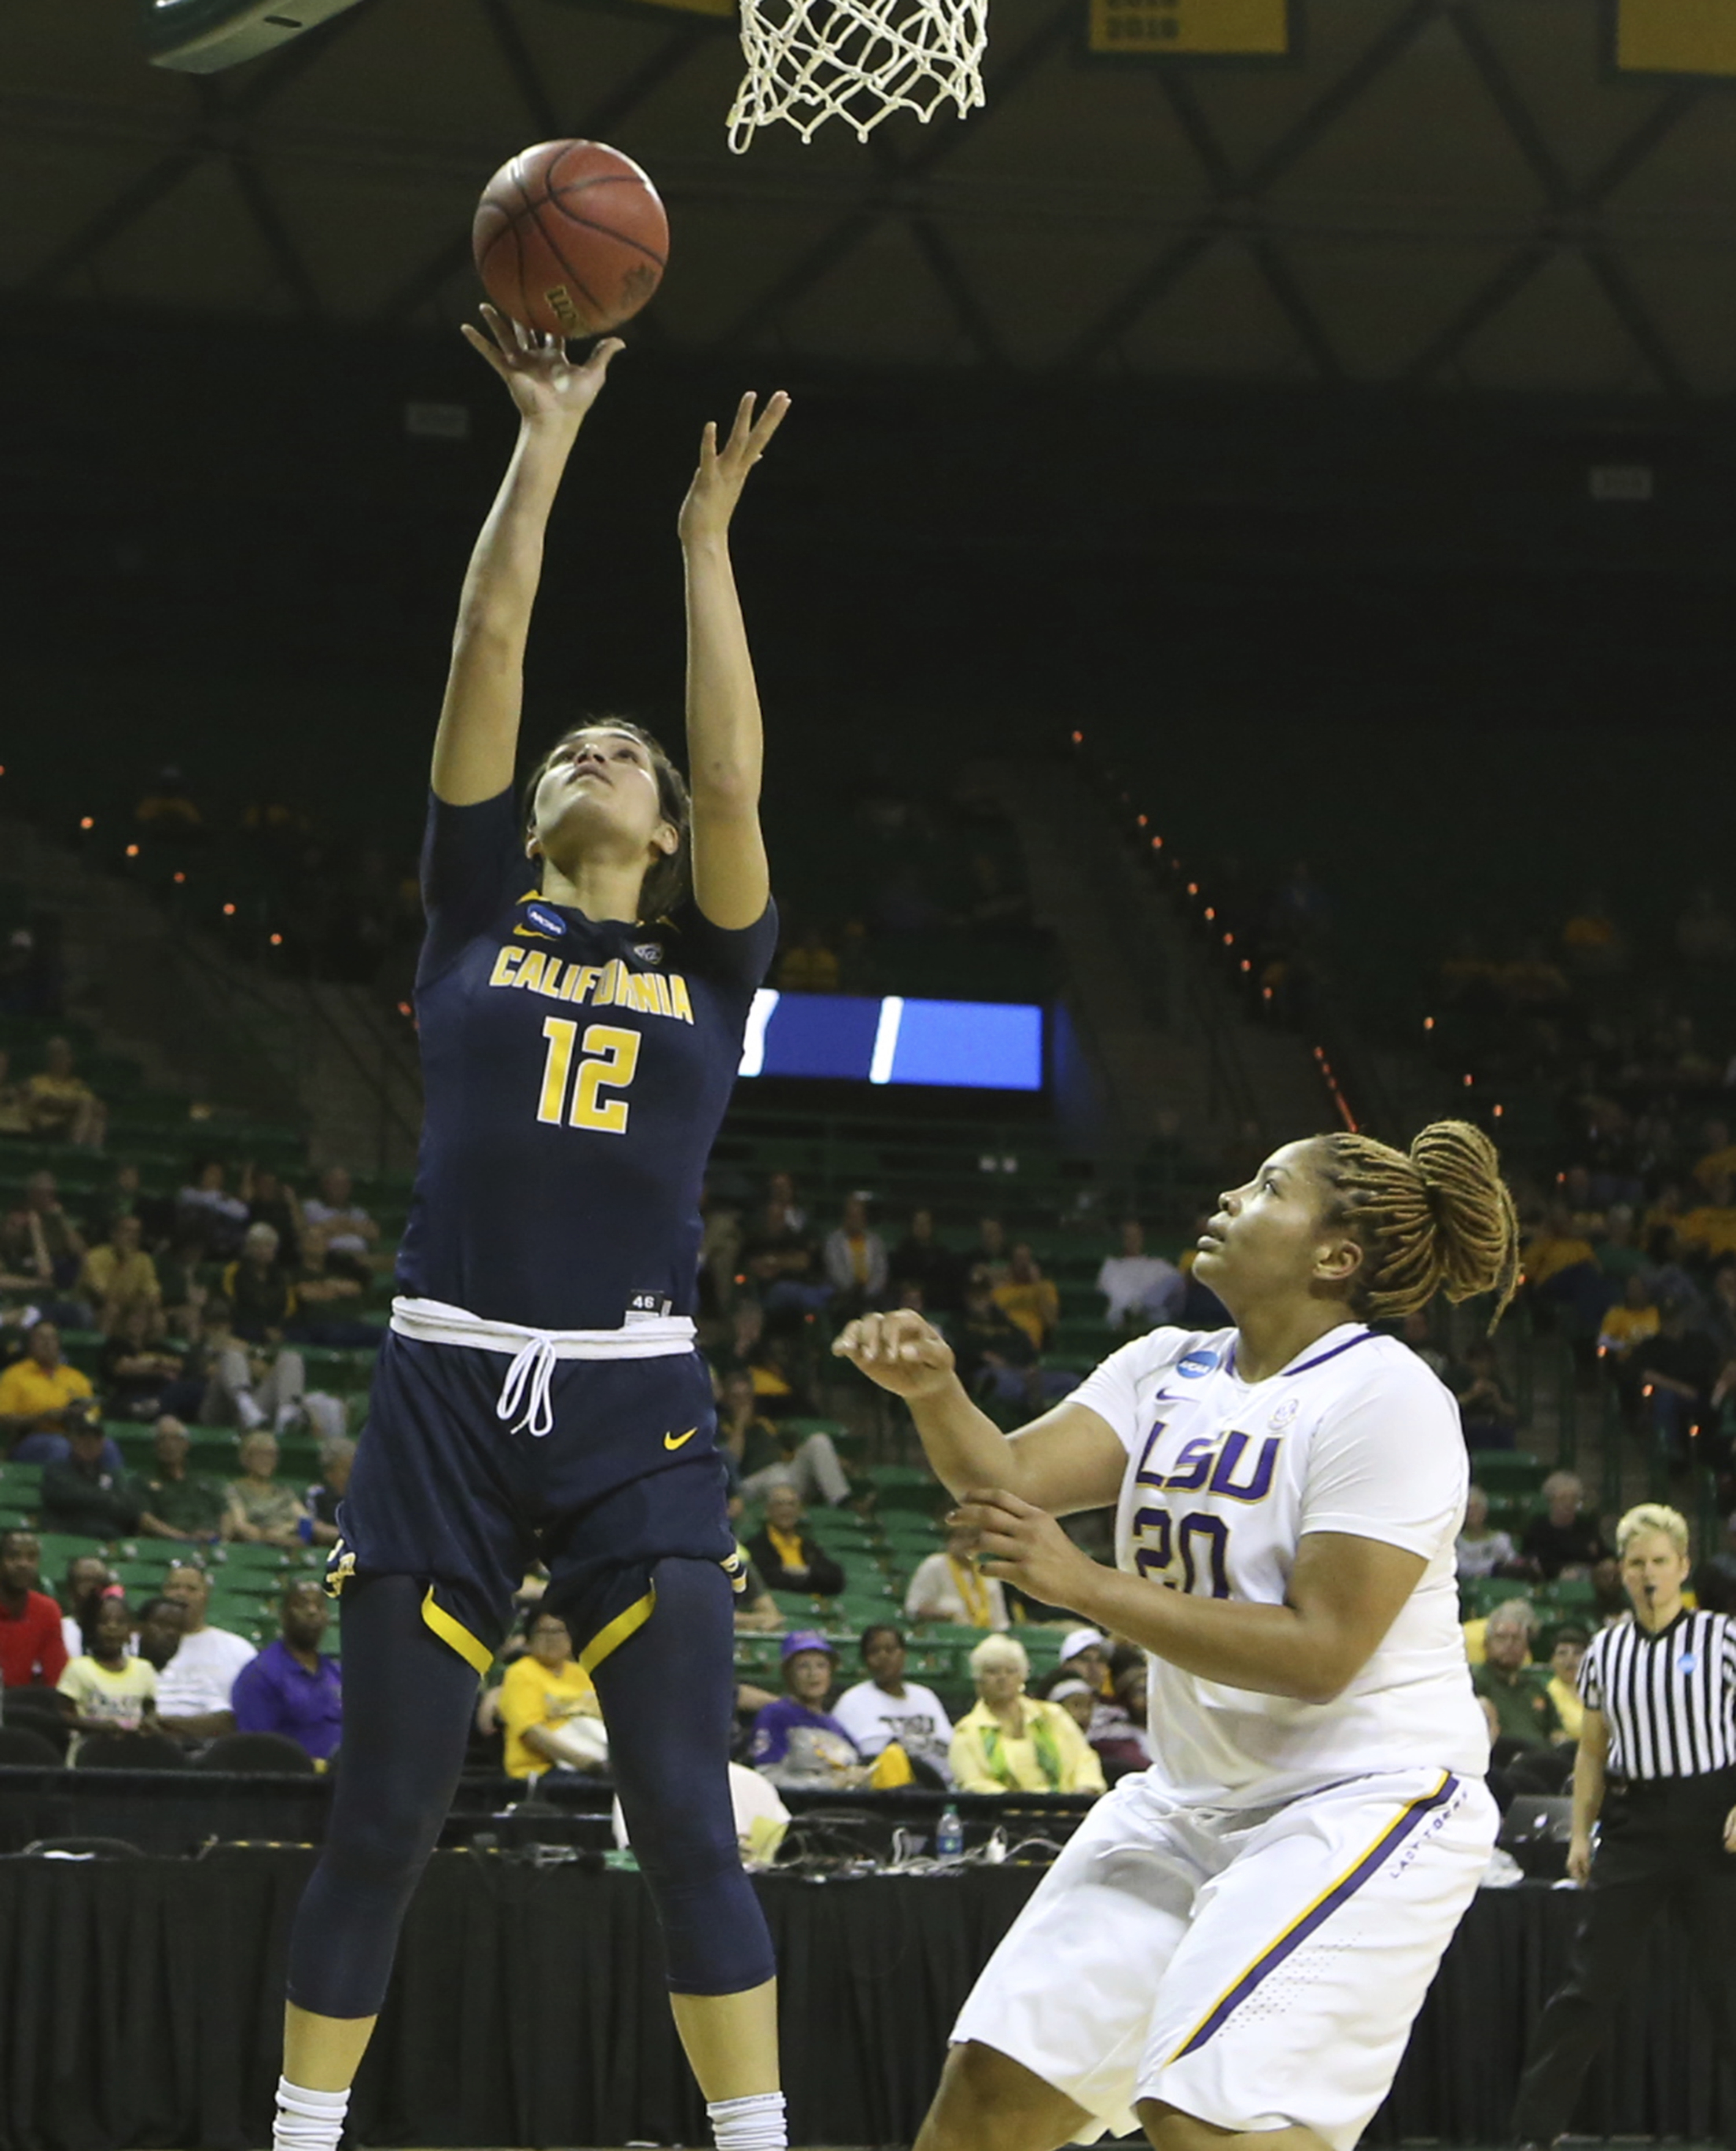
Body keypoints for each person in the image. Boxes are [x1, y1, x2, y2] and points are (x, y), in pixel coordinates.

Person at [270, 319, 792, 2151]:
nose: (595, 748)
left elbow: (733, 782)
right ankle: (297, 2141)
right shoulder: (466, 915)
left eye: (620, 750)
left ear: (653, 831)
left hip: (636, 1416)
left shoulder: (708, 963)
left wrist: (703, 546)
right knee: (385, 1810)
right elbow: (489, 641)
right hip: (443, 1401)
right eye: (580, 747)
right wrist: (550, 436)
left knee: (684, 1817)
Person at [834, 1117, 1515, 2151]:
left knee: (1203, 2116)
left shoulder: (1390, 1399)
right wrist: (936, 1393)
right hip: (1192, 1797)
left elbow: (1321, 1652)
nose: (1233, 1195)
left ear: (1337, 1257)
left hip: (1365, 1796)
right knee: (989, 2095)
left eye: (1269, 1186)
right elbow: (1009, 1479)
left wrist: (1087, 1585)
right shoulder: (1168, 1366)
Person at [1512, 1504, 1736, 2148]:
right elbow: (1590, 1750)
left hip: (1711, 1820)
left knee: (1727, 1986)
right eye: (1636, 1563)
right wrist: (1581, 1833)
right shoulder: (1606, 1650)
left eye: (1660, 1562)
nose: (1648, 1574)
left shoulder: (1721, 1638)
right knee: (1588, 1985)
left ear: (1683, 1567)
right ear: (1622, 1569)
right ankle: (1533, 2132)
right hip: (1634, 1822)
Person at [948, 1634, 1106, 1796]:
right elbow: (974, 1782)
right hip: (1004, 1816)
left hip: (1067, 1811)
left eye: (1011, 1671)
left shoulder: (1053, 1715)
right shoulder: (967, 1731)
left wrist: (1083, 1790)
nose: (1003, 1678)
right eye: (992, 1672)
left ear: (1023, 1676)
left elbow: (1084, 1759)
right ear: (978, 1680)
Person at [233, 1581, 344, 1763]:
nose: (312, 1612)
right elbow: (255, 1749)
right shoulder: (260, 1674)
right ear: (283, 1616)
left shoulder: (336, 1673)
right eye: (302, 1605)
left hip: (340, 1780)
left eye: (319, 1606)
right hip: (292, 1784)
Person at [832, 1624, 954, 1783]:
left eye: (890, 1650)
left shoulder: (926, 1696)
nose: (884, 1657)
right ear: (865, 1660)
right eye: (874, 1652)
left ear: (904, 1654)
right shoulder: (851, 1701)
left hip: (942, 1787)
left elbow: (950, 1744)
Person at [496, 1605, 609, 1776]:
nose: (552, 1639)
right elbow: (532, 1734)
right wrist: (587, 1763)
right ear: (528, 1638)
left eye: (559, 1631)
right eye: (543, 1632)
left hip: (597, 1756)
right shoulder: (521, 1672)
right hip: (545, 1769)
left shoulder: (582, 1673)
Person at [749, 1631, 870, 1786]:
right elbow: (767, 1776)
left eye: (821, 1666)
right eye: (803, 1667)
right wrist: (828, 1784)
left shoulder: (833, 1724)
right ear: (789, 1674)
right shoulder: (776, 1715)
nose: (813, 1674)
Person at [1470, 1600, 1571, 1786]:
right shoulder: (1474, 1682)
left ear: (1526, 1648)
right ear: (1486, 1644)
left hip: (1544, 1761)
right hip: (1505, 1763)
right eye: (1501, 1638)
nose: (1509, 1645)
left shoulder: (1535, 1687)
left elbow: (1556, 1732)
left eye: (1516, 1639)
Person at [717, 1369, 850, 1509]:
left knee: (818, 1441)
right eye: (736, 1398)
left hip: (784, 1477)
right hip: (748, 1486)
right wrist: (740, 1425)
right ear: (726, 1400)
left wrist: (836, 1461)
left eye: (747, 1397)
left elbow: (795, 1448)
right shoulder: (721, 1427)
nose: (743, 1403)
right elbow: (732, 1462)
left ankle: (843, 1503)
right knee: (776, 1474)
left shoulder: (765, 1424)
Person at [158, 1558, 258, 1729]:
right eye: (174, 1587)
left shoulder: (238, 1649)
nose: (181, 1594)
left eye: (192, 1589)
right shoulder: (137, 1645)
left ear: (206, 1594)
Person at [57, 1593, 157, 1752]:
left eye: (120, 1622)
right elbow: (63, 1716)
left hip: (132, 1752)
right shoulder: (78, 1668)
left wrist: (149, 1722)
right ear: (92, 1629)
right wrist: (100, 1728)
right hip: (89, 1752)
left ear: (131, 1631)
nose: (112, 1627)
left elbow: (150, 1708)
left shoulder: (143, 1669)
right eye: (104, 1622)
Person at [0, 1319, 102, 1464]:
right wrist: (42, 1418)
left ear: (59, 1344)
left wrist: (77, 1415)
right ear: (31, 1344)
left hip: (73, 1435)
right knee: (59, 1446)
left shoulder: (75, 1377)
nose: (47, 1344)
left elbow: (93, 1415)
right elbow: (4, 1418)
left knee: (107, 1446)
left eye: (52, 1338)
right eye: (41, 1338)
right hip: (31, 1438)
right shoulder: (14, 1375)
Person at [40, 1407, 146, 1539]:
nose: (89, 1443)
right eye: (83, 1436)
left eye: (96, 1438)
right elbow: (66, 1497)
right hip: (70, 1536)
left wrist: (93, 1498)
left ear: (102, 1443)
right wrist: (108, 1499)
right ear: (73, 1440)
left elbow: (129, 1509)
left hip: (109, 1540)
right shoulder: (57, 1470)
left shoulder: (111, 1475)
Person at [903, 1517, 1009, 1631]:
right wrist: (945, 1615)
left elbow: (1001, 1623)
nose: (968, 1543)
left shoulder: (989, 1575)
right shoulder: (934, 1565)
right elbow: (914, 1609)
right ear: (949, 1540)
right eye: (961, 1537)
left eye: (973, 1537)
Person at [745, 1483, 845, 1598]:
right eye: (779, 1505)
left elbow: (836, 1579)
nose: (786, 1510)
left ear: (800, 1511)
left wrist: (803, 1572)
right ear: (768, 1511)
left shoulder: (809, 1546)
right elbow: (768, 1580)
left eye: (792, 1505)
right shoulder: (756, 1546)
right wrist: (811, 1577)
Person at [138, 1417, 230, 1543]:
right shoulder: (144, 1481)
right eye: (163, 1440)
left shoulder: (205, 1480)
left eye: (176, 1439)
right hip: (171, 1544)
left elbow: (225, 1512)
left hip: (212, 1541)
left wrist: (222, 1539)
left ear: (186, 1444)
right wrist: (183, 1537)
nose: (170, 1445)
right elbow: (145, 1520)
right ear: (155, 1446)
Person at [0, 1529, 67, 1692]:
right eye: (14, 1557)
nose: (23, 1564)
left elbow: (56, 1677)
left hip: (25, 1705)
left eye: (31, 1558)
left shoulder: (47, 1610)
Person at [226, 1431, 312, 1547]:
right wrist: (268, 1536)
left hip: (289, 1543)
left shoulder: (284, 1492)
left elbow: (304, 1519)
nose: (267, 1461)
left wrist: (284, 1531)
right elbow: (240, 1526)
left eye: (271, 1455)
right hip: (257, 1547)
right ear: (247, 1459)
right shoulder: (235, 1490)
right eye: (260, 1455)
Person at [1097, 1222, 1185, 1332]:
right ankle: (1136, 1311)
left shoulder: (1157, 1265)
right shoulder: (1112, 1266)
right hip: (1122, 1316)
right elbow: (1108, 1290)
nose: (1132, 1241)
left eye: (1136, 1237)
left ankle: (1141, 1308)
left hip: (1154, 1316)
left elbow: (1177, 1282)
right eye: (1128, 1237)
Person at [78, 1214, 161, 1330]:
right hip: (92, 1310)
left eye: (136, 1233)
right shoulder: (95, 1256)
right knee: (112, 1310)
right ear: (114, 1234)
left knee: (157, 1318)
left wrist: (141, 1307)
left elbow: (154, 1296)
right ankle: (105, 1347)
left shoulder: (144, 1260)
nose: (132, 1237)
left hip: (128, 1310)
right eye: (127, 1232)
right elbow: (103, 1295)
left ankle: (150, 1348)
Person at [1520, 1470, 1606, 1580]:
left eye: (1573, 1499)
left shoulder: (1586, 1526)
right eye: (1562, 1499)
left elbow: (1601, 1554)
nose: (1568, 1504)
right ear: (1551, 1501)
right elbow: (1536, 1560)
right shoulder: (1539, 1528)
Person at [24, 1036, 106, 1149]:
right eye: (58, 1055)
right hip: (47, 1127)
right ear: (50, 1059)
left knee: (97, 1121)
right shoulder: (37, 1081)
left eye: (67, 1056)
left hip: (73, 1124)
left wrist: (73, 1105)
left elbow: (95, 1105)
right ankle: (75, 1149)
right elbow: (43, 1102)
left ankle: (89, 1156)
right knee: (85, 1106)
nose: (64, 1060)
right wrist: (72, 1105)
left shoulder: (78, 1084)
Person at [821, 1194, 888, 1317]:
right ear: (845, 1218)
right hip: (843, 1292)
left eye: (859, 1216)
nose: (855, 1221)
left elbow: (881, 1270)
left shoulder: (875, 1242)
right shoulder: (834, 1241)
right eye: (852, 1217)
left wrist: (869, 1291)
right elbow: (835, 1270)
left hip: (871, 1292)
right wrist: (853, 1289)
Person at [1455, 1484, 1516, 1579]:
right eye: (1468, 1509)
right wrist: (1493, 1567)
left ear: (1484, 1511)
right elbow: (1461, 1567)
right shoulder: (1457, 1543)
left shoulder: (1501, 1540)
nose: (1472, 1513)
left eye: (1476, 1508)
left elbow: (1512, 1563)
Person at [1543, 1620, 1588, 1742]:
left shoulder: (1597, 1690)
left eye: (1578, 1653)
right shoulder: (1548, 1694)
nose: (1570, 1659)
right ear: (1552, 1661)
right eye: (1562, 1653)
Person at [305, 1436, 355, 1548]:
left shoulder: (364, 1497)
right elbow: (313, 1528)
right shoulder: (317, 1494)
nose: (352, 1474)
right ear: (329, 1473)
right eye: (346, 1469)